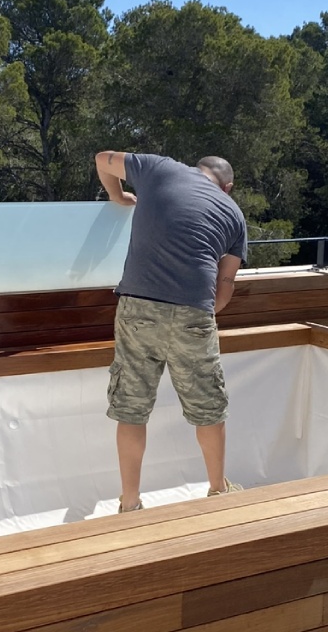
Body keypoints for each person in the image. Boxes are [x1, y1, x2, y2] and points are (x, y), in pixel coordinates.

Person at [94, 150, 248, 513]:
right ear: (228, 187)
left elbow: (102, 159)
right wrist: (195, 316)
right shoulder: (234, 214)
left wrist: (117, 196)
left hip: (138, 307)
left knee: (132, 407)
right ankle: (217, 492)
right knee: (209, 408)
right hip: (194, 311)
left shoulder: (158, 167)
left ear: (197, 169)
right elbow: (223, 291)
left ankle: (130, 502)